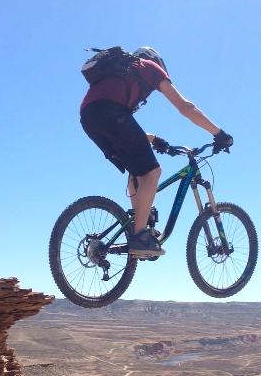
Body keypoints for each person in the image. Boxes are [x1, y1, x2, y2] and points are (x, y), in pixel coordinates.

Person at [80, 46, 233, 257]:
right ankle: (140, 236)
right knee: (152, 172)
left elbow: (123, 128)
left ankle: (138, 224)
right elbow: (186, 108)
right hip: (109, 114)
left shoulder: (121, 78)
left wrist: (154, 140)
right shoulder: (149, 67)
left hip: (89, 118)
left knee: (138, 169)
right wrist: (219, 134)